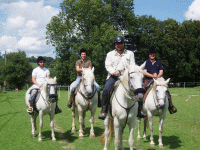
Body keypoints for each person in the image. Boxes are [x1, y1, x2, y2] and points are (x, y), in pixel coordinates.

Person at [98, 35, 137, 120]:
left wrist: (125, 72)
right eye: (117, 43)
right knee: (106, 90)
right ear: (115, 44)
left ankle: (139, 110)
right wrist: (113, 71)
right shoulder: (110, 54)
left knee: (137, 89)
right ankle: (104, 111)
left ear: (123, 44)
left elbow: (132, 65)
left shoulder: (130, 54)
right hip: (113, 77)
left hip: (126, 77)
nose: (118, 45)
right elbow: (107, 65)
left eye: (120, 43)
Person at [143, 46, 177, 114]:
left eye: (153, 53)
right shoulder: (147, 62)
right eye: (151, 53)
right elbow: (144, 72)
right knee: (142, 89)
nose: (152, 55)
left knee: (166, 90)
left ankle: (170, 106)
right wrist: (152, 76)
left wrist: (157, 76)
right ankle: (140, 107)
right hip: (149, 79)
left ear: (155, 54)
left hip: (158, 78)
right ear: (149, 54)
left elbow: (161, 71)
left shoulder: (159, 62)